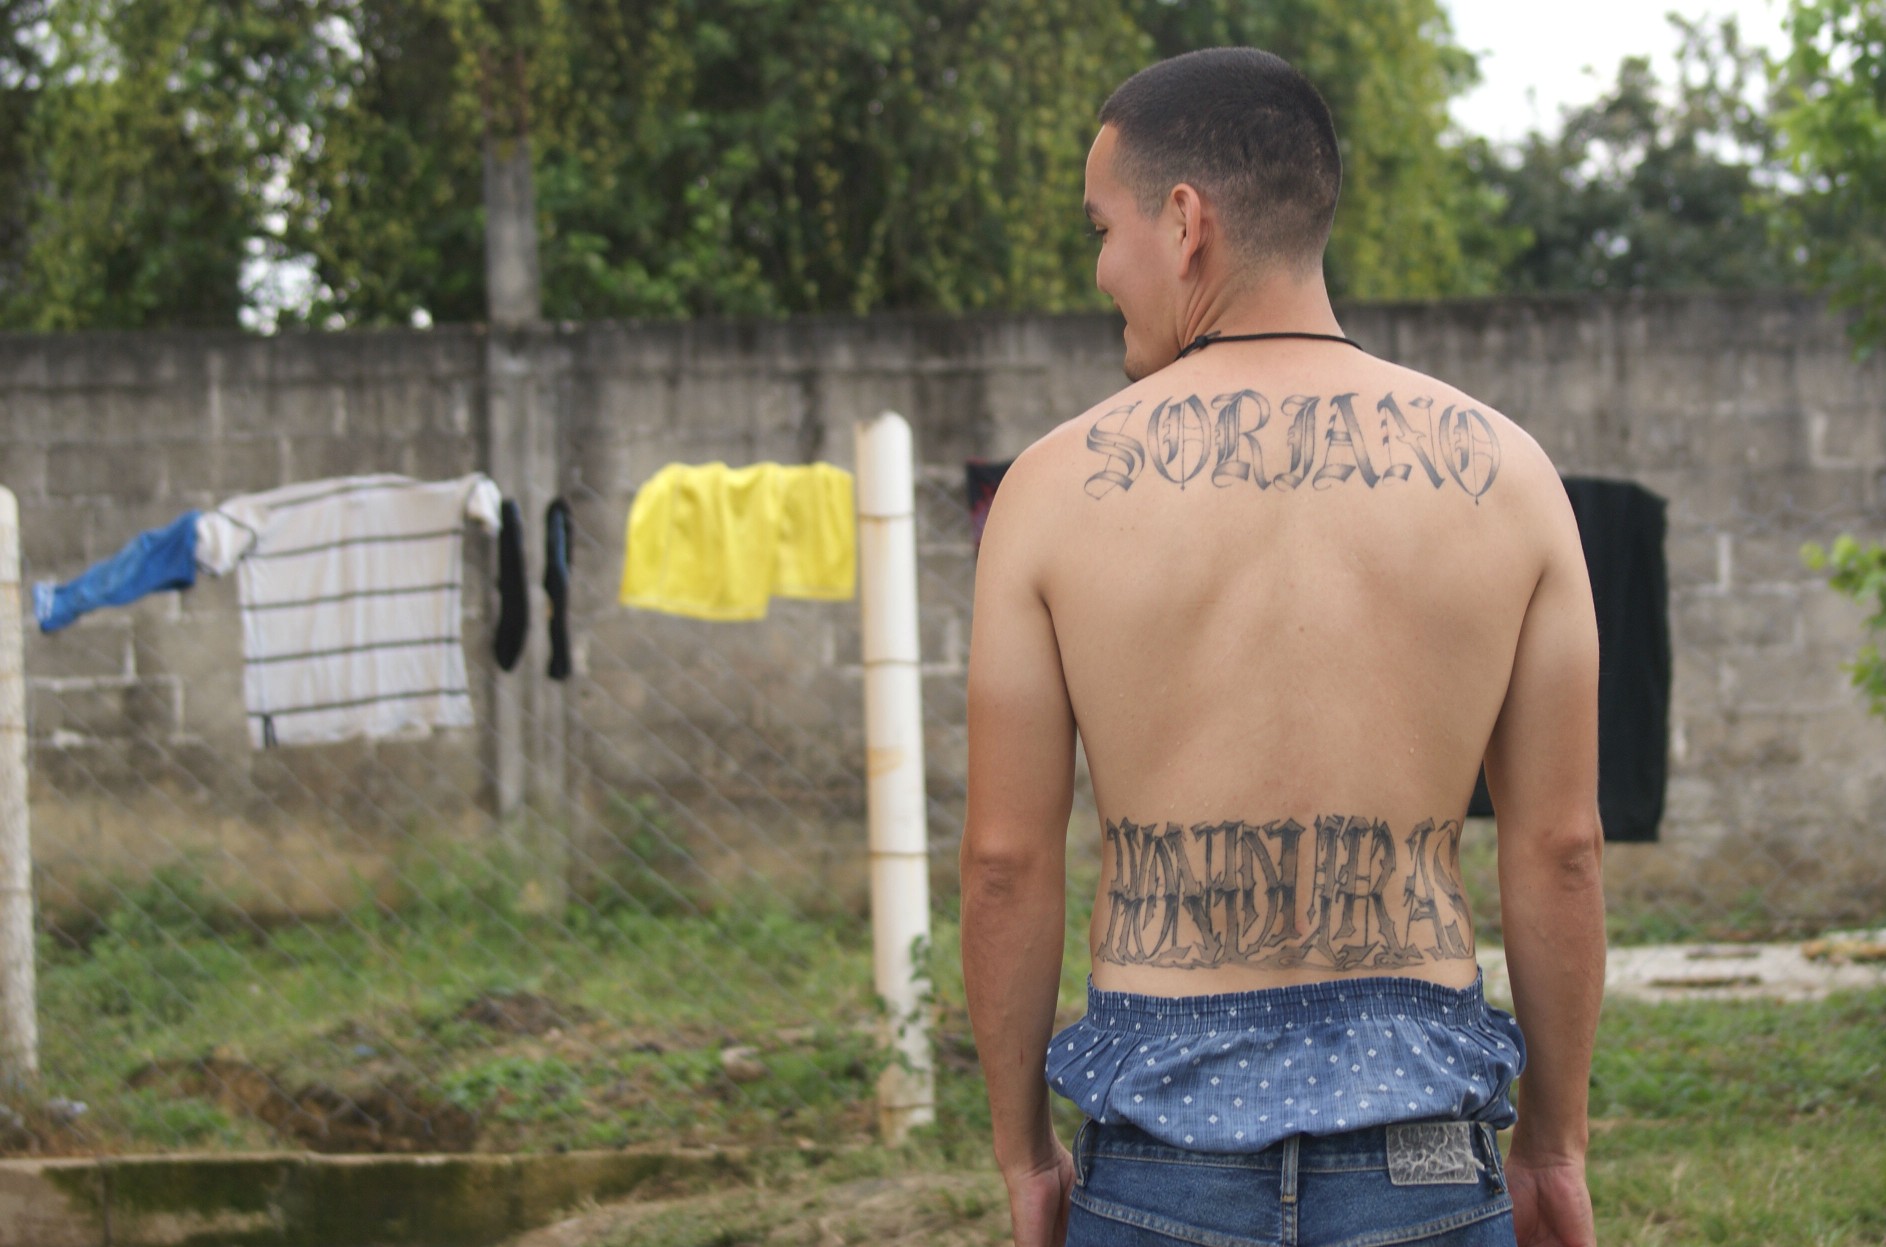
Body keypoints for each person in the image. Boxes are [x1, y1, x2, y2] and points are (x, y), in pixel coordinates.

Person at [959, 47, 1605, 1247]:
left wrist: (1023, 1154)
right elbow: (1560, 847)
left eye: (1103, 228)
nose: (1101, 269)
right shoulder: (1508, 479)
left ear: (1184, 221)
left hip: (1157, 1177)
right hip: (1421, 1165)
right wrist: (1552, 1147)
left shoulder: (1048, 494)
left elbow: (1003, 861)